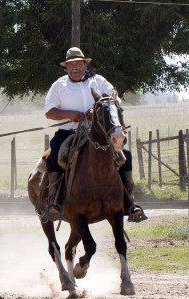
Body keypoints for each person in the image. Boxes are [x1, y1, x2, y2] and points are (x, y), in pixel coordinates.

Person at [42, 47, 147, 222]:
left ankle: (129, 202)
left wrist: (97, 109)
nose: (74, 68)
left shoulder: (99, 81)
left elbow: (115, 99)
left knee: (125, 155)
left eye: (78, 64)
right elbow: (49, 112)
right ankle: (54, 202)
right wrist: (69, 114)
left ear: (85, 64)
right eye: (70, 65)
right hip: (68, 133)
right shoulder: (59, 85)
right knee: (54, 156)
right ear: (66, 68)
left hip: (98, 134)